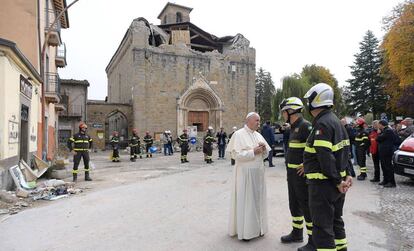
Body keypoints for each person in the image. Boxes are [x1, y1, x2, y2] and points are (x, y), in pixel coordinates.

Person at [303, 83, 352, 251]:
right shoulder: (336, 121)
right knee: (336, 221)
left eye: (308, 100)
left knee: (322, 229)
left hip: (323, 185)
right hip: (336, 184)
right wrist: (348, 175)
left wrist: (338, 180)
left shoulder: (322, 124)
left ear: (315, 101)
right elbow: (345, 150)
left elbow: (325, 157)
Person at [227, 112, 271, 241]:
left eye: (259, 120)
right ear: (248, 121)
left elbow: (266, 155)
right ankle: (247, 232)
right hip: (245, 175)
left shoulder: (258, 135)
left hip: (259, 174)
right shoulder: (238, 134)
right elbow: (236, 156)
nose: (259, 122)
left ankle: (259, 229)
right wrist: (253, 152)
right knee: (247, 203)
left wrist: (263, 150)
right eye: (256, 120)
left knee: (258, 201)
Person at [279, 97, 314, 251]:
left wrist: (307, 165)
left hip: (301, 175)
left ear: (291, 111)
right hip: (292, 174)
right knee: (294, 205)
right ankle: (297, 233)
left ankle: (313, 240)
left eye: (284, 112)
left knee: (306, 206)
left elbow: (315, 149)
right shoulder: (293, 127)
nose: (282, 115)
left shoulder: (306, 126)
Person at [376, 120, 397, 188]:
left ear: (381, 125)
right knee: (383, 166)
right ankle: (385, 180)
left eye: (379, 124)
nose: (378, 126)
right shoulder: (385, 130)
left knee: (388, 167)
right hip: (383, 151)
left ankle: (391, 182)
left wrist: (378, 133)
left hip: (387, 151)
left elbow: (378, 139)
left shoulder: (388, 130)